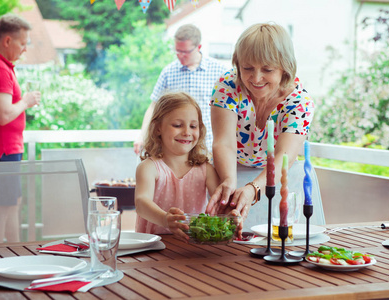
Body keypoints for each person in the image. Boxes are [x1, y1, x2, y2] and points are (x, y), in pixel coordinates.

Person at [205, 23, 316, 225]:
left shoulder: (300, 102)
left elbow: (284, 156)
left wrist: (253, 189)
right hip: (228, 170)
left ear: (285, 68)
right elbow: (224, 143)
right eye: (247, 68)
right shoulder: (228, 86)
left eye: (267, 69)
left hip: (279, 181)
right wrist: (229, 181)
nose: (256, 78)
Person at [134, 92, 230, 242]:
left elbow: (220, 206)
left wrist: (231, 213)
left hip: (194, 248)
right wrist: (165, 219)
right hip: (153, 248)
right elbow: (141, 203)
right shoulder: (149, 168)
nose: (187, 132)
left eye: (193, 126)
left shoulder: (206, 170)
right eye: (177, 125)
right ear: (158, 128)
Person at [0, 14, 41, 243]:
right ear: (7, 41)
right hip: (1, 153)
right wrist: (26, 101)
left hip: (3, 152)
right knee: (0, 212)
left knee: (10, 208)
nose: (25, 49)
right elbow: (3, 114)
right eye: (23, 43)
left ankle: (15, 257)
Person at [134, 24, 227, 154]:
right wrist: (142, 136)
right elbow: (153, 107)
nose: (180, 56)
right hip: (176, 149)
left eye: (185, 52)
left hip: (209, 146)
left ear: (198, 47)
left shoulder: (220, 71)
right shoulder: (168, 72)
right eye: (177, 51)